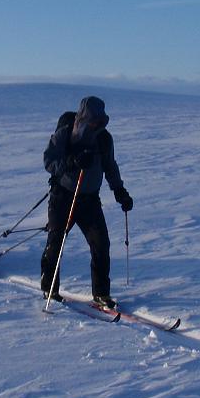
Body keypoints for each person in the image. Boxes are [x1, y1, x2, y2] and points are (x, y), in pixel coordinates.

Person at [41, 96, 133, 307]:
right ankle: (50, 289)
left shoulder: (104, 139)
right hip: (63, 196)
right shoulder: (65, 133)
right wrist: (72, 162)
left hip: (90, 199)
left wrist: (120, 192)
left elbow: (110, 166)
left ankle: (101, 293)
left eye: (100, 121)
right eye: (93, 120)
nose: (97, 124)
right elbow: (49, 160)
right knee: (56, 242)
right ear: (84, 117)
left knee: (101, 244)